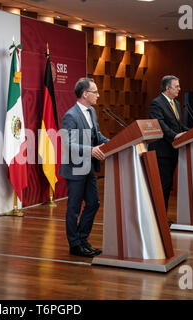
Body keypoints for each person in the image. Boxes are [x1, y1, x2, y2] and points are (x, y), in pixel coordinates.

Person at [59, 77, 109, 258]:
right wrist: (91, 150)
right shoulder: (70, 116)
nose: (98, 95)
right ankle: (74, 245)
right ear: (85, 94)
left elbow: (98, 135)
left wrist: (113, 143)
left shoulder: (92, 112)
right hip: (75, 169)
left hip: (88, 168)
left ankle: (82, 239)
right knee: (73, 209)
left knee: (93, 203)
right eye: (95, 92)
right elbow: (68, 145)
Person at [148, 75, 189, 225]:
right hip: (161, 151)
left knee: (167, 185)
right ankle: (159, 218)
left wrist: (192, 132)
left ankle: (162, 216)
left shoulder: (176, 104)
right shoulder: (156, 103)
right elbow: (160, 124)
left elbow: (178, 125)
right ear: (167, 88)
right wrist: (175, 135)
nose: (179, 89)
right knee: (162, 185)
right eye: (176, 86)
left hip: (173, 150)